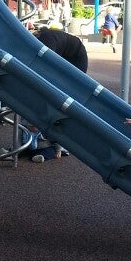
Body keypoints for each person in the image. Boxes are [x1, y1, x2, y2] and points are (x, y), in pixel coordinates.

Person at [27, 27, 88, 162]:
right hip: (65, 57)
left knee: (62, 101)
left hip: (76, 59)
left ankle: (59, 146)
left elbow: (48, 65)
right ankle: (34, 144)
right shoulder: (44, 40)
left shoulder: (46, 40)